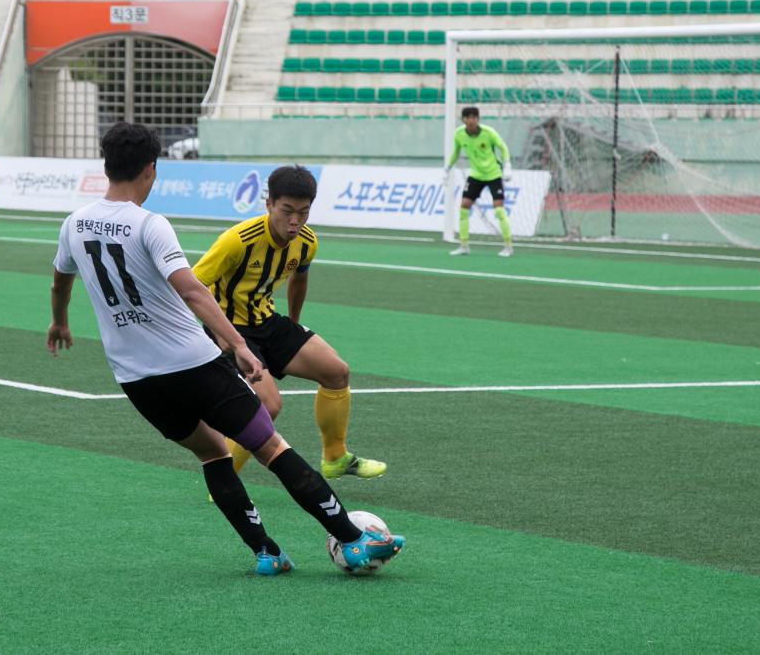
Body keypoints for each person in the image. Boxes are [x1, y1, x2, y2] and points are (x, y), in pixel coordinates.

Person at [47, 122, 404, 576]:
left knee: (213, 454)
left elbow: (60, 280)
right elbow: (195, 291)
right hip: (194, 363)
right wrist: (237, 345)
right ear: (150, 171)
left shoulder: (74, 223)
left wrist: (59, 320)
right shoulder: (150, 224)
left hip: (135, 378)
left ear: (107, 165)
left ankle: (266, 553)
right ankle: (353, 540)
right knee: (271, 447)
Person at [192, 165, 386, 483]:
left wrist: (294, 327)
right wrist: (217, 332)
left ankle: (336, 458)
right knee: (268, 405)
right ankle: (224, 480)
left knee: (337, 372)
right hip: (229, 329)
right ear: (269, 204)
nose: (295, 221)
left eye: (303, 212)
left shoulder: (307, 242)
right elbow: (192, 286)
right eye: (287, 211)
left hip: (269, 323)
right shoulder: (237, 241)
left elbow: (299, 279)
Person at [446, 106, 513, 257]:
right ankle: (464, 246)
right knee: (464, 207)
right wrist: (447, 168)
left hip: (494, 174)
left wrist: (507, 165)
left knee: (499, 210)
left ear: (478, 119)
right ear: (463, 119)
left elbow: (503, 147)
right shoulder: (459, 134)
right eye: (467, 117)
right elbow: (456, 152)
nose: (471, 120)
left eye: (474, 117)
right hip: (476, 175)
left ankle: (508, 246)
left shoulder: (489, 133)